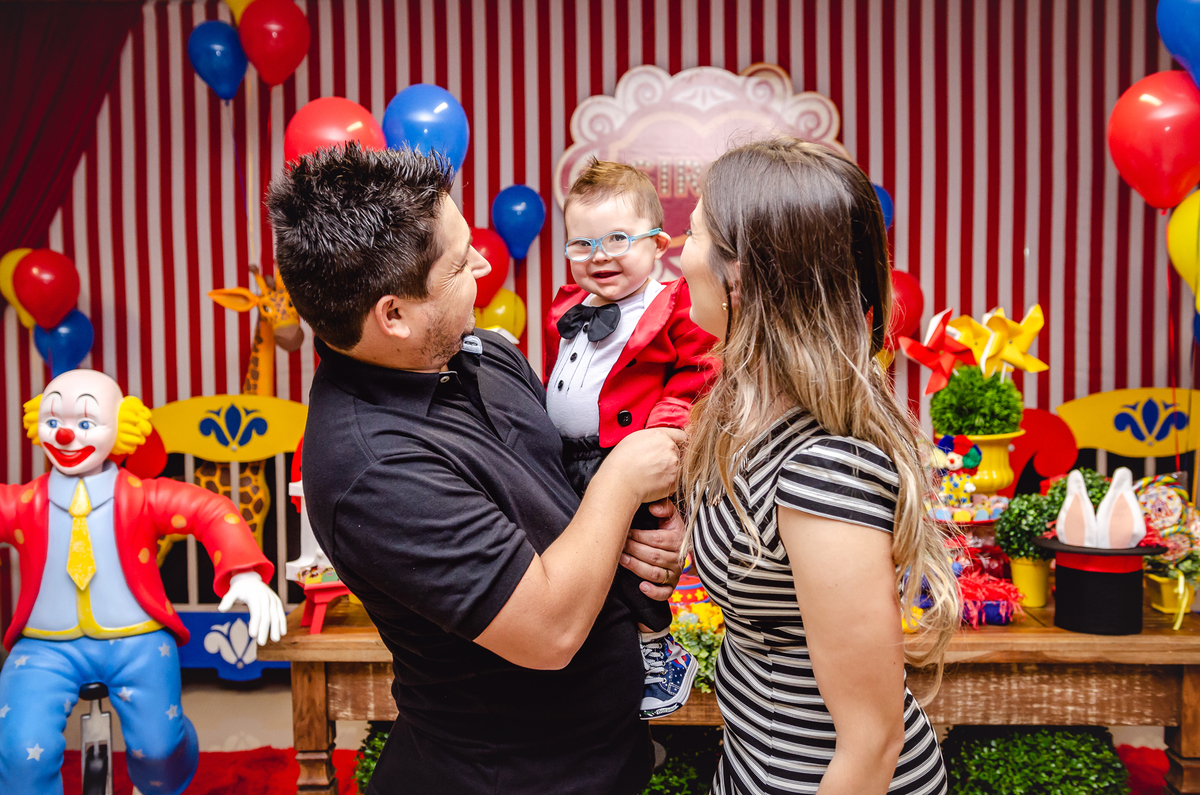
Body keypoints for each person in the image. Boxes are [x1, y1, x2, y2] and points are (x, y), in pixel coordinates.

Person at [266, 143, 686, 795]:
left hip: (604, 758)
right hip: (508, 778)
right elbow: (548, 631)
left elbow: (567, 504)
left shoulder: (484, 353)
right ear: (393, 315)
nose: (485, 265)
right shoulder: (372, 467)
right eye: (461, 263)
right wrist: (623, 479)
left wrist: (652, 531)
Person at [677, 139, 959, 795]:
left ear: (740, 275)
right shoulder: (747, 417)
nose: (678, 252)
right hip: (757, 767)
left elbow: (872, 742)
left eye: (692, 233)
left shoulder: (823, 469)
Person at [0, 369, 284, 795]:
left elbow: (210, 509)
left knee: (159, 751)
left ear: (122, 425)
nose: (65, 435)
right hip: (44, 646)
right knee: (22, 751)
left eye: (85, 422)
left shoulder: (141, 496)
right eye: (53, 420)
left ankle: (169, 765)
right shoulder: (25, 503)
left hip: (138, 641)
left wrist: (244, 571)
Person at [545, 158, 718, 719]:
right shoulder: (568, 310)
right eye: (582, 244)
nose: (600, 256)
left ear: (659, 244)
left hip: (630, 456)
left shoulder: (671, 305)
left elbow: (698, 376)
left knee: (639, 560)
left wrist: (662, 434)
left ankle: (656, 649)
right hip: (565, 460)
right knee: (576, 563)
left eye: (618, 239)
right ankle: (594, 656)